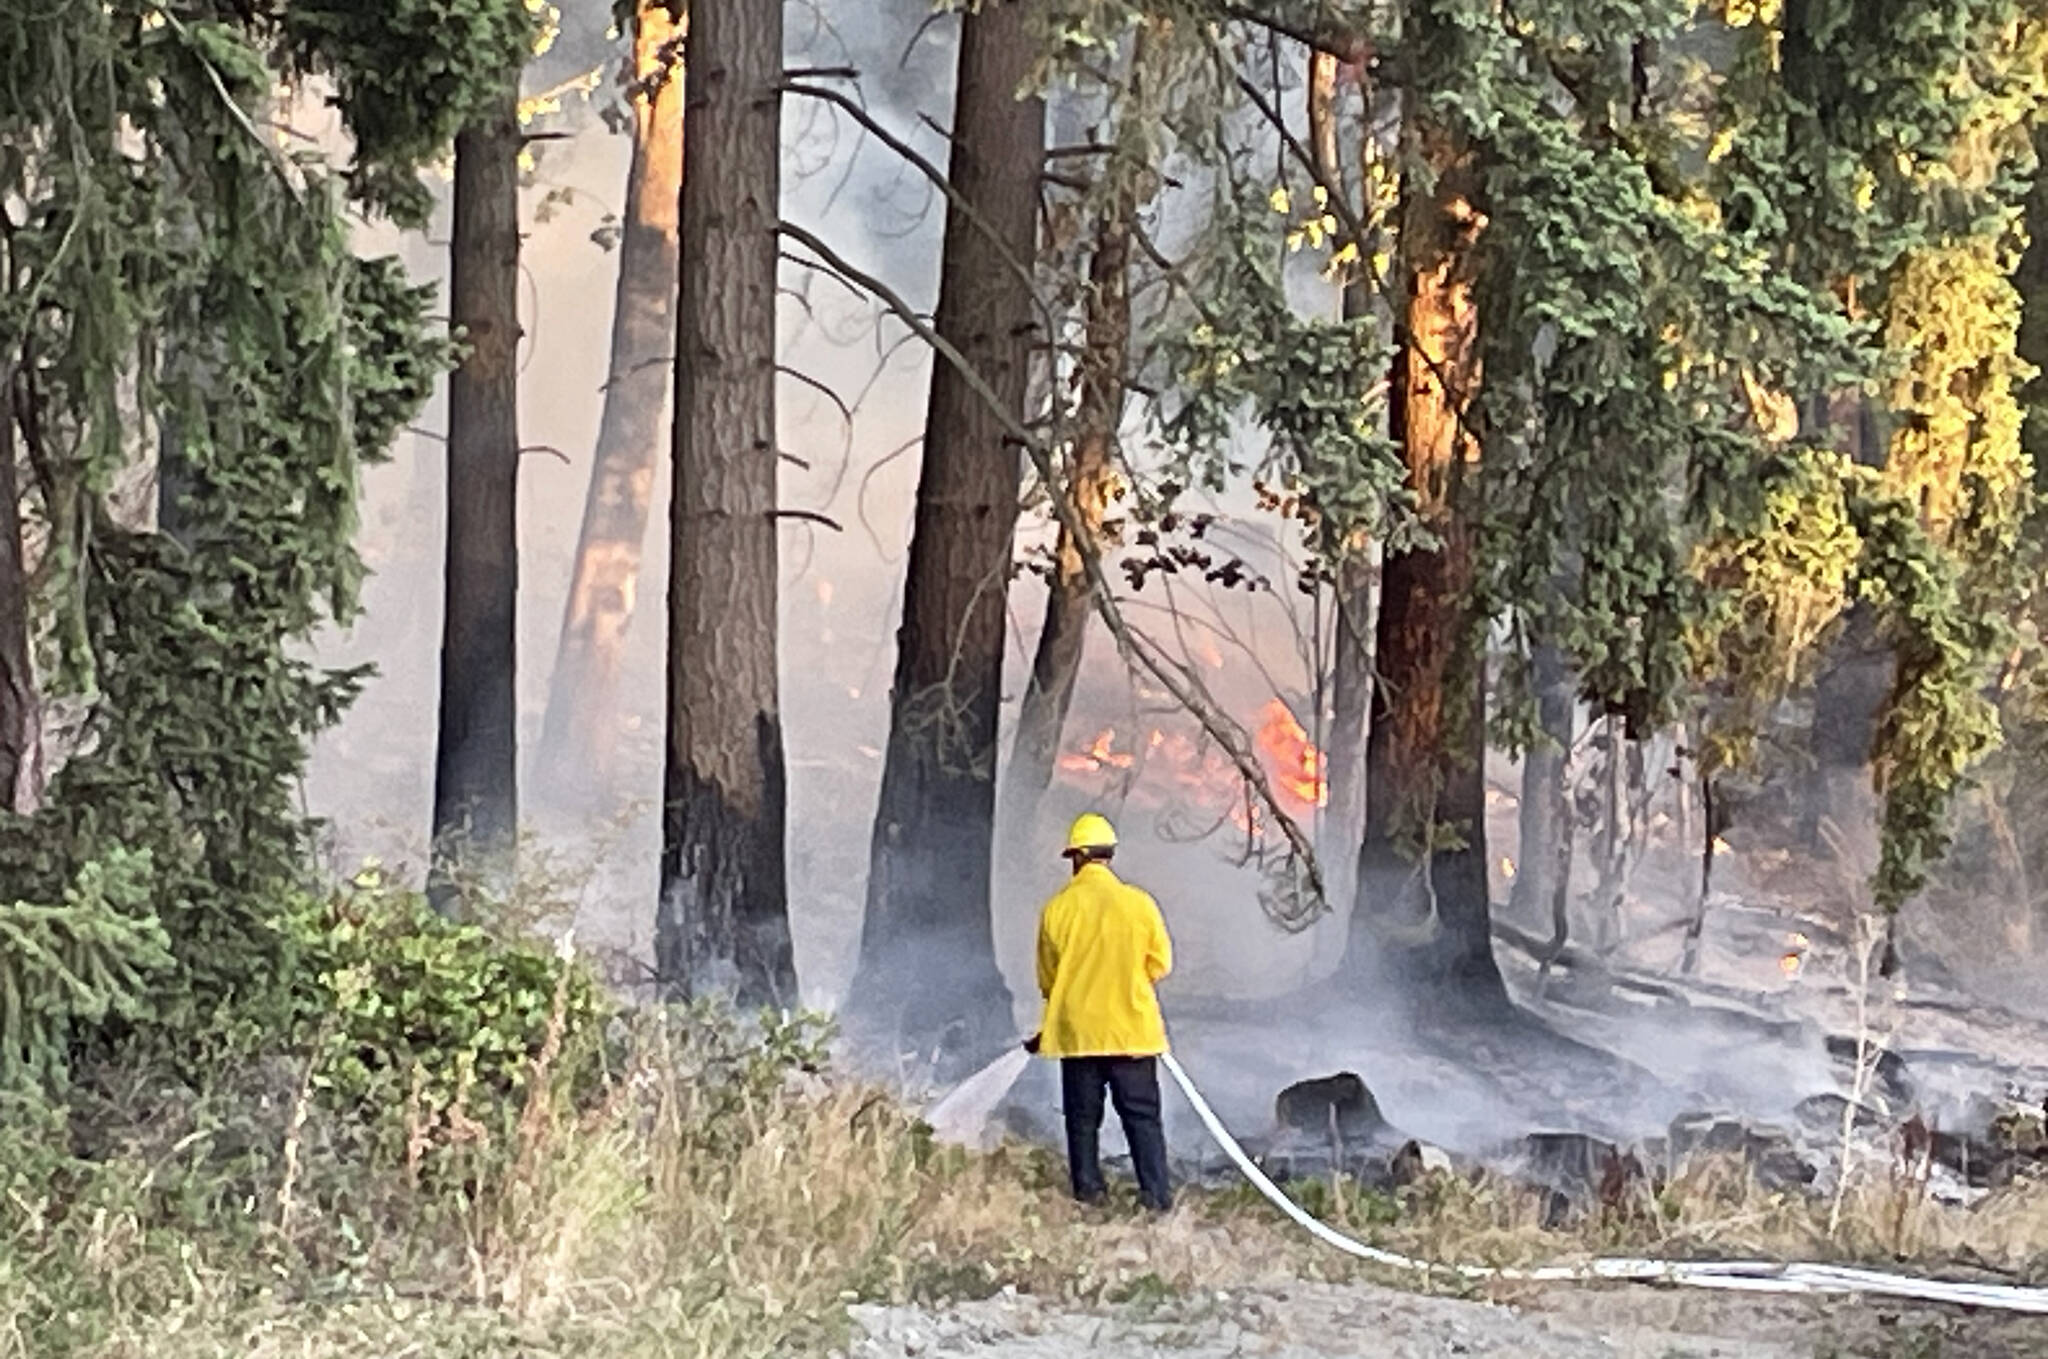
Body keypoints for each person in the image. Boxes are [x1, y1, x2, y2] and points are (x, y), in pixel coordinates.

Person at [1025, 812, 1174, 1212]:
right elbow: (1160, 964)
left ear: (1075, 858)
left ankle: (1089, 1195)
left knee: (1082, 1119)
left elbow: (1048, 978)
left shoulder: (1057, 909)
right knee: (1143, 1118)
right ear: (1109, 856)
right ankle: (1156, 1198)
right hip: (1133, 1034)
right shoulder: (1139, 904)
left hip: (1079, 1035)